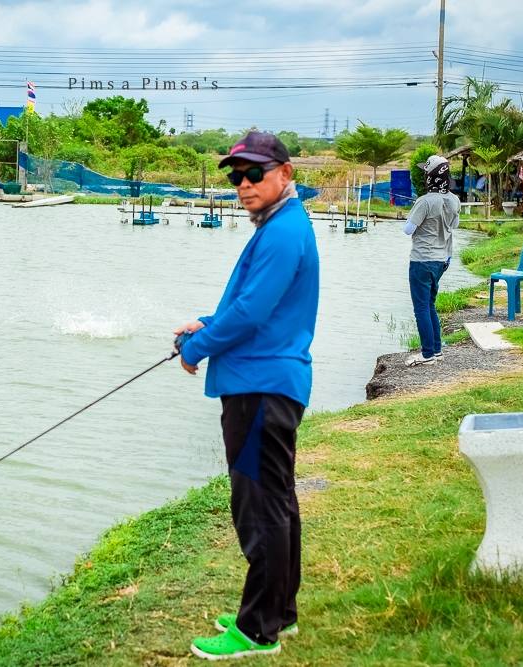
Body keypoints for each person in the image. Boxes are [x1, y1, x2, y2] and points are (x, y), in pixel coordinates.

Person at [174, 131, 320, 661]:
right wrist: (207, 323)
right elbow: (259, 307)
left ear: (285, 173)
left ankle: (258, 630)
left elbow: (254, 314)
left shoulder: (282, 232)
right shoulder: (282, 225)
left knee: (259, 509)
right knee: (277, 502)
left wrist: (197, 347)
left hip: (261, 388)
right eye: (236, 176)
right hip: (267, 382)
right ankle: (280, 612)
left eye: (254, 173)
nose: (243, 185)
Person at [403, 154, 460, 366]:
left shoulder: (424, 202)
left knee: (421, 308)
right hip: (441, 261)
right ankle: (437, 350)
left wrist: (411, 217)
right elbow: (454, 225)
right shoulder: (454, 200)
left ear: (430, 177)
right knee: (430, 305)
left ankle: (427, 354)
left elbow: (408, 230)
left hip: (421, 260)